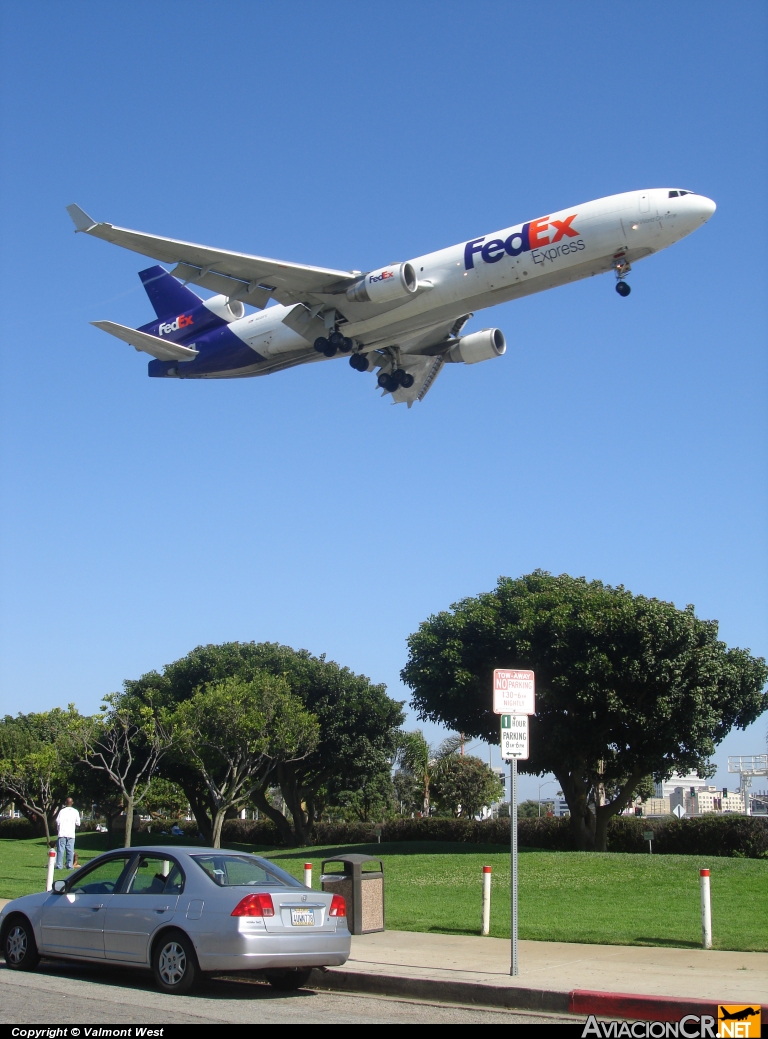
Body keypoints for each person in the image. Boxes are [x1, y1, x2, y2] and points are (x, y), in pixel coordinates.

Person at [55, 797, 81, 870]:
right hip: (71, 834)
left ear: (65, 802)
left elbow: (58, 821)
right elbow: (78, 823)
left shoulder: (62, 811)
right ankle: (69, 865)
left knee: (60, 850)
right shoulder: (75, 811)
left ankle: (59, 865)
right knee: (70, 850)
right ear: (72, 803)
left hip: (62, 833)